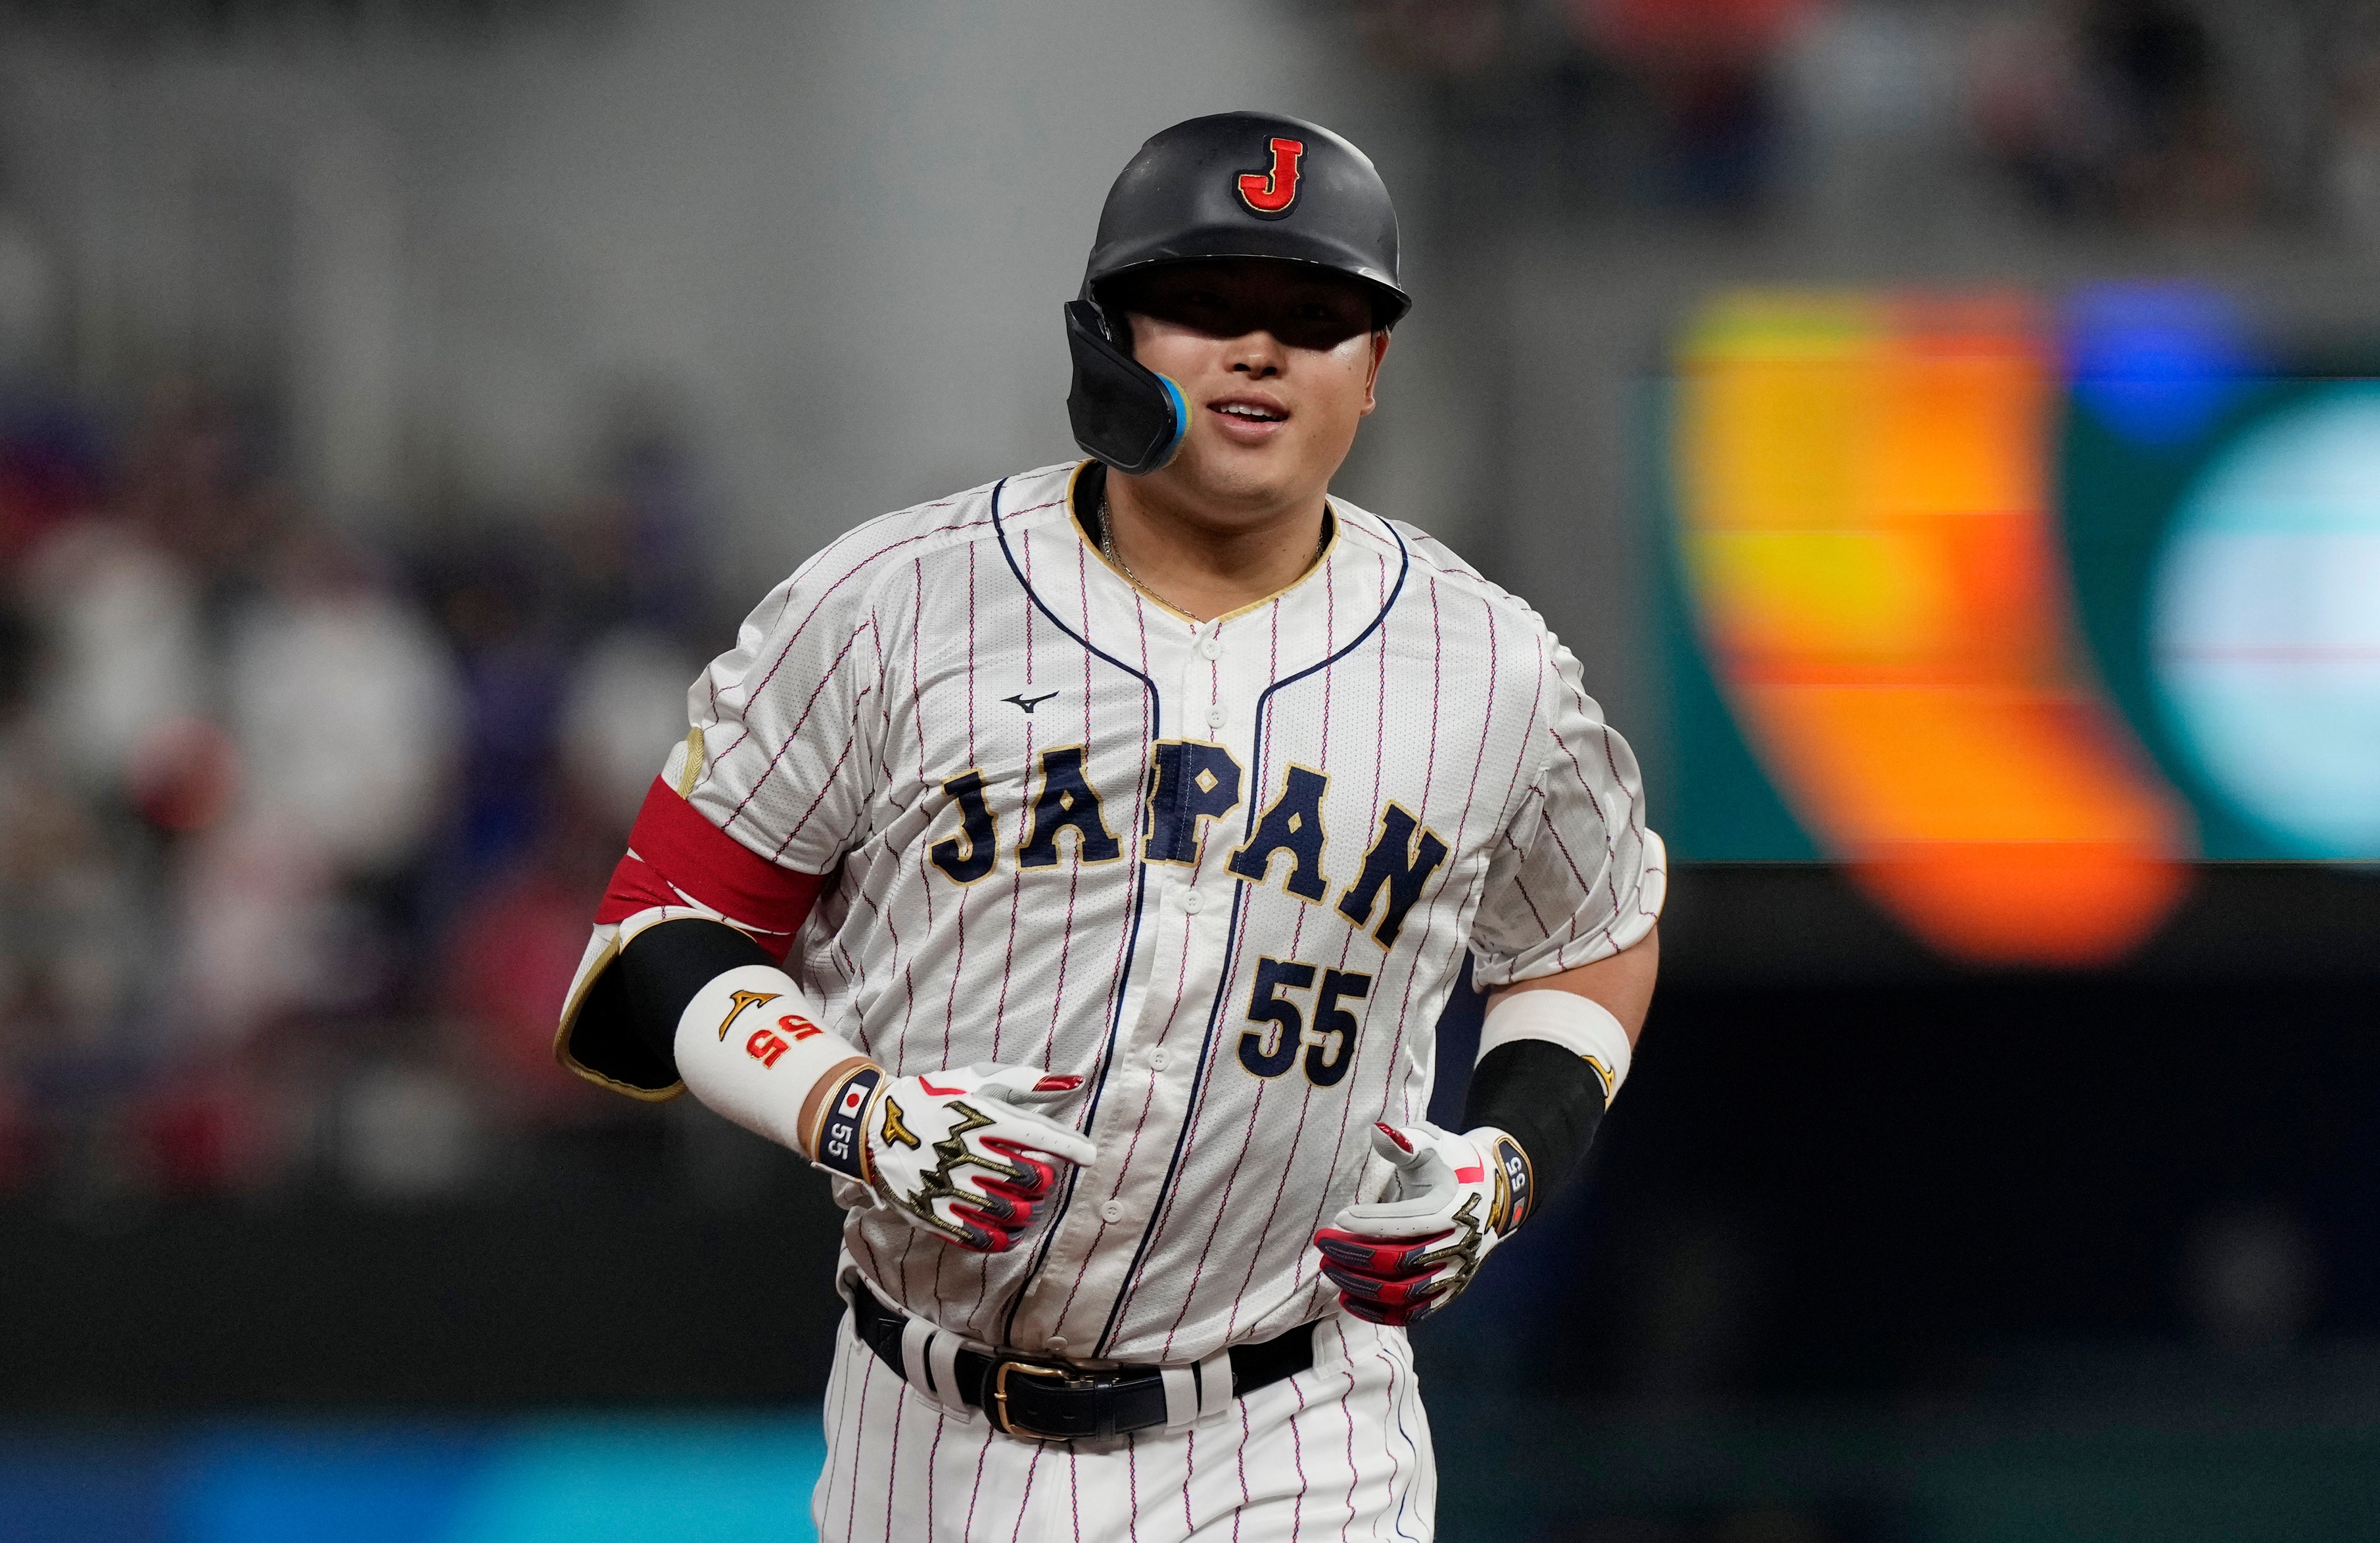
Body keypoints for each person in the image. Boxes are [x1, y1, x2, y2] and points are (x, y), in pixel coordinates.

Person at [555, 110, 1662, 1541]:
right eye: (1206, 304)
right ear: (1108, 339)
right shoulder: (895, 601)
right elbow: (663, 927)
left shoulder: (1491, 666)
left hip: (1297, 1434)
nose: (1262, 350)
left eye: (1318, 318)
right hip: (929, 1434)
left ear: (1375, 370)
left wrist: (1505, 1159)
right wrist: (852, 1107)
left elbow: (1591, 935)